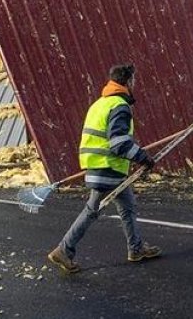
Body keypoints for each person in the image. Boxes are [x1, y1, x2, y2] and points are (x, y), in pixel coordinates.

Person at [48, 64, 160, 273]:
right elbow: (118, 143)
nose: (134, 84)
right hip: (108, 167)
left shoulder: (100, 104)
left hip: (98, 166)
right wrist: (143, 158)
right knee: (92, 210)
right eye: (133, 80)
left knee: (127, 206)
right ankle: (64, 249)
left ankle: (135, 248)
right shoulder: (119, 106)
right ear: (128, 82)